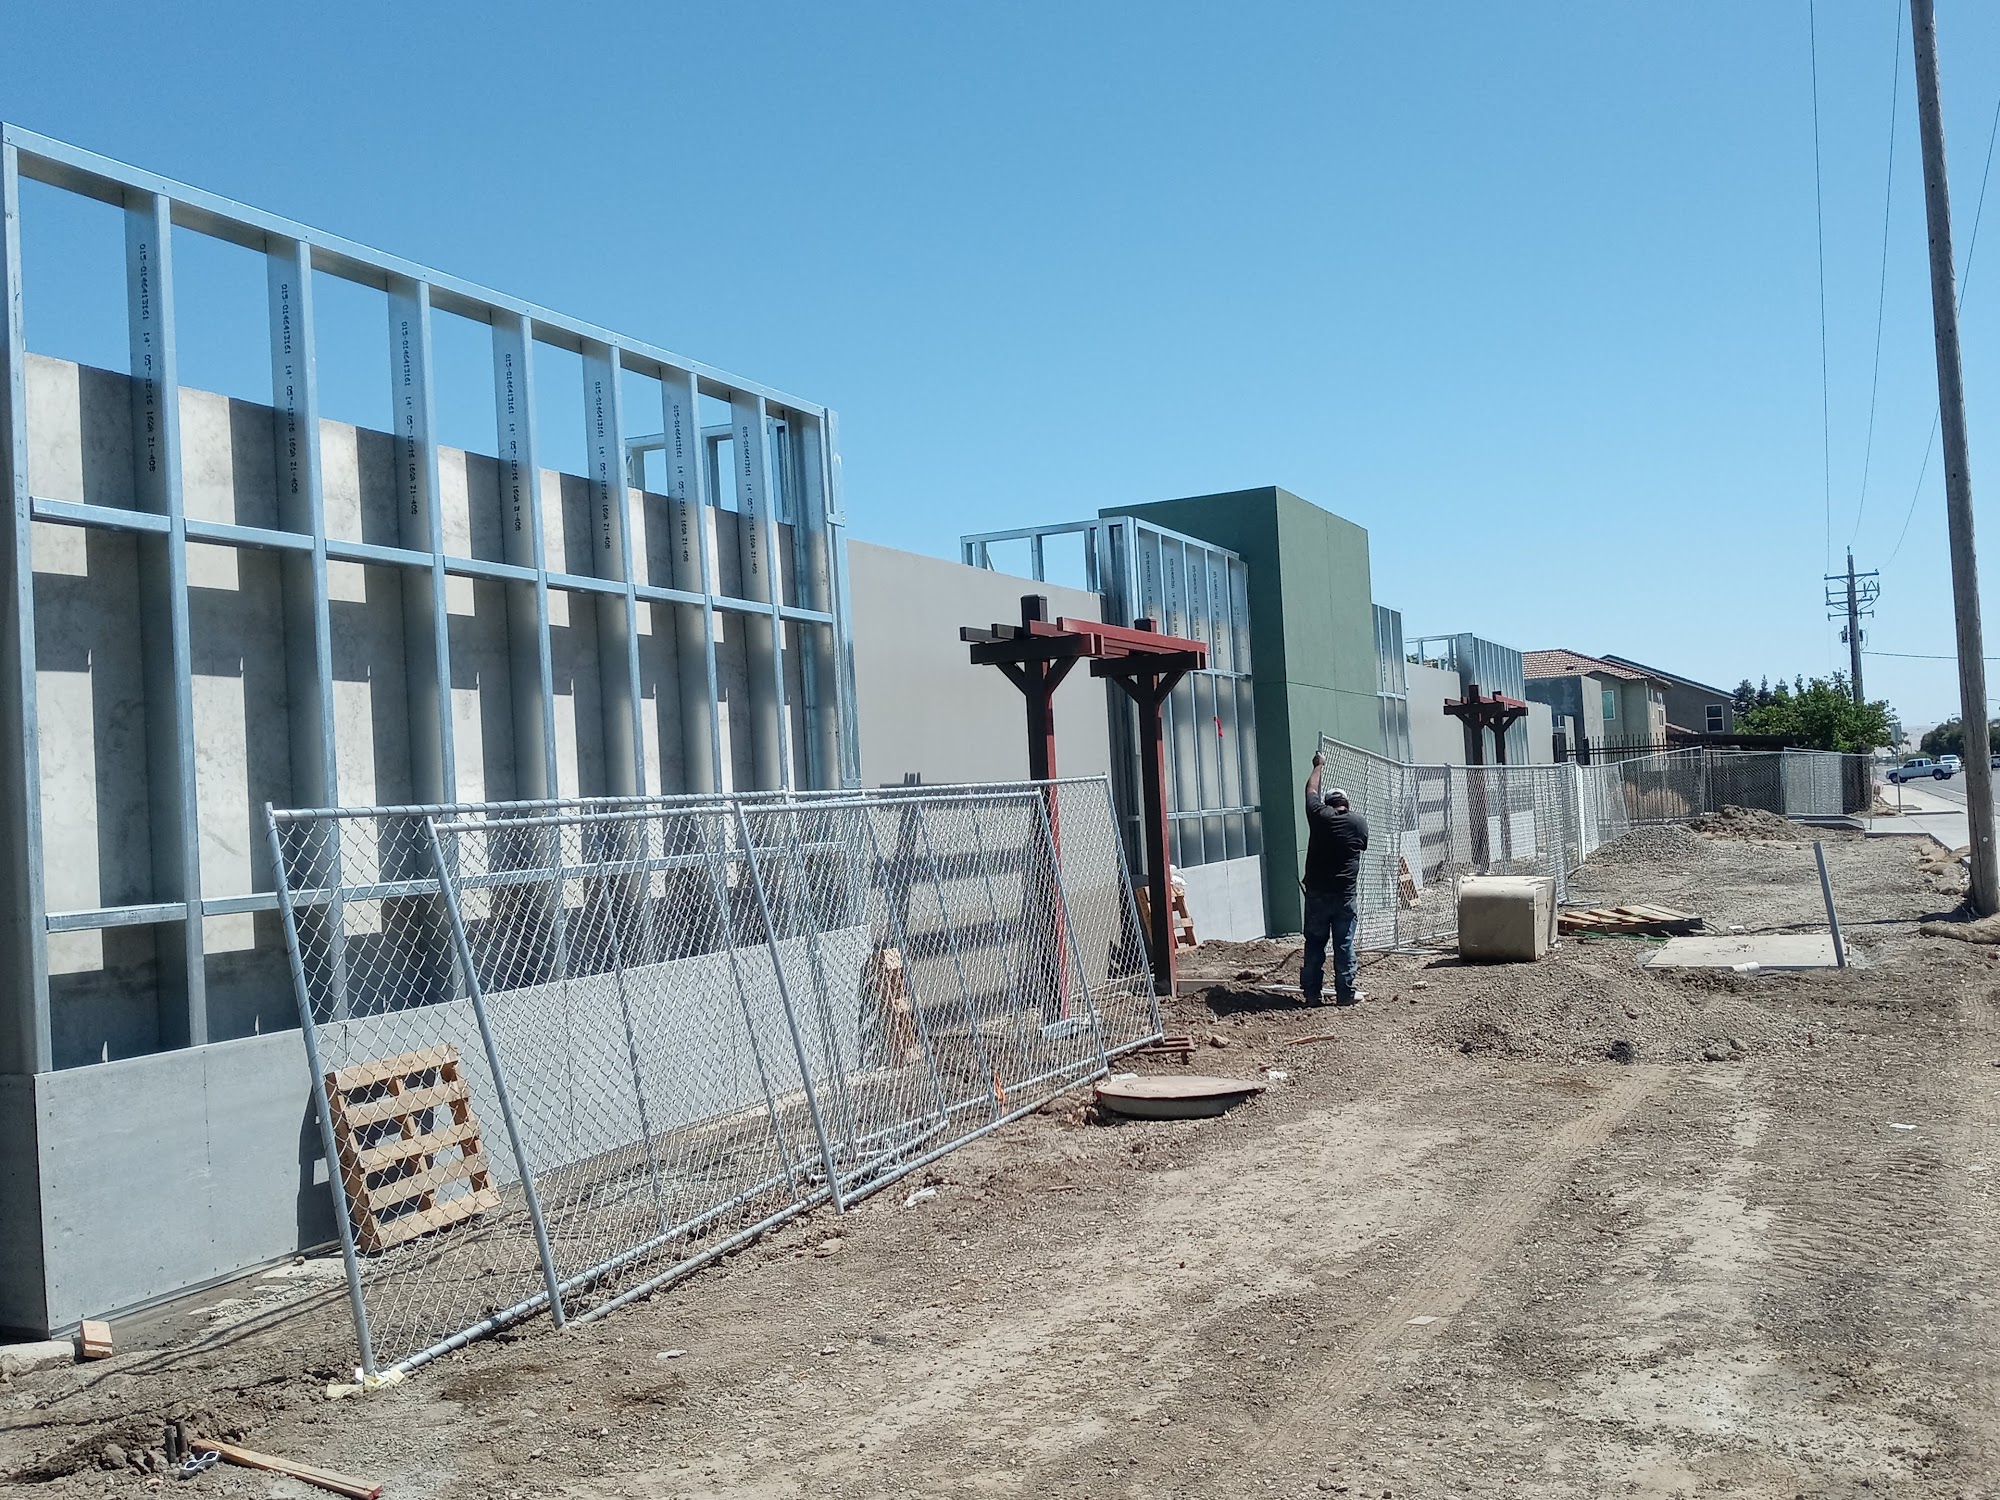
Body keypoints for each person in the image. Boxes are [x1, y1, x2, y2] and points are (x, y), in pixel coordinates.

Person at [1300, 751, 1369, 1006]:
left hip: (1317, 894)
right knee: (1344, 944)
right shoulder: (1359, 823)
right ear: (1346, 804)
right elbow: (1361, 846)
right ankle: (1345, 994)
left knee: (1314, 943)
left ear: (1328, 803)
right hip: (1344, 895)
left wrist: (1318, 765)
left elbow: (1310, 790)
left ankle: (1312, 994)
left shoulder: (1319, 817)